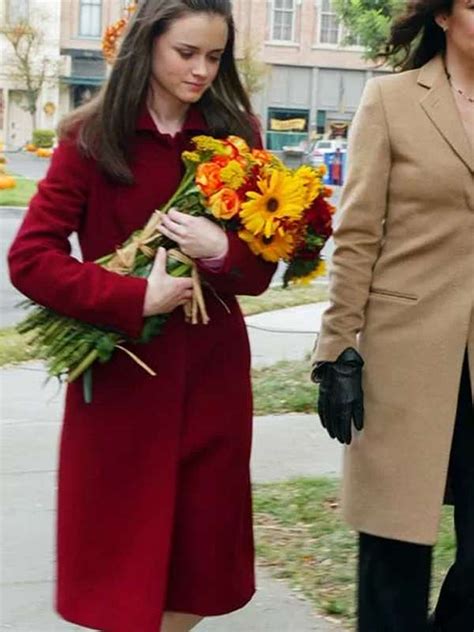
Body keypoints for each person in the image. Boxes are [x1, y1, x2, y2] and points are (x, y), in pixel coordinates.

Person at [8, 2, 276, 631]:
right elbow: (31, 258)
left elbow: (259, 273)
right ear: (147, 44)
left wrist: (222, 252)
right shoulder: (92, 137)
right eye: (187, 53)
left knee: (199, 561)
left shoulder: (237, 137)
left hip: (212, 378)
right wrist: (135, 300)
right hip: (123, 381)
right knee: (119, 567)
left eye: (214, 56)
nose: (202, 70)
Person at [311, 0, 474, 630]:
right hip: (404, 355)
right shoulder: (392, 101)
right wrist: (334, 352)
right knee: (394, 552)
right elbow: (356, 237)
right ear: (441, 16)